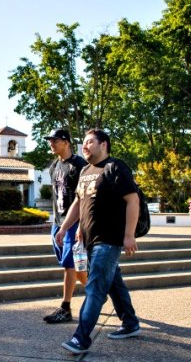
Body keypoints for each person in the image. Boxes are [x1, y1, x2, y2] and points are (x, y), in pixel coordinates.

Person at [56, 128, 141, 355]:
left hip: (109, 239)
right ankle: (130, 322)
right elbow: (78, 202)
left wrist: (129, 235)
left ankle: (80, 338)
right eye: (83, 142)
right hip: (89, 240)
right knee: (113, 282)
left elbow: (133, 200)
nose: (85, 146)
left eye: (90, 142)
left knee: (95, 288)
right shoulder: (85, 170)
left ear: (103, 144)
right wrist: (65, 228)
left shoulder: (115, 167)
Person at [42, 128, 88, 324]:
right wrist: (55, 224)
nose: (51, 143)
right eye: (50, 140)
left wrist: (82, 225)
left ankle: (65, 308)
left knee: (69, 266)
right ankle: (97, 291)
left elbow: (86, 198)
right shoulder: (54, 167)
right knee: (75, 268)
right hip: (58, 223)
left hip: (74, 223)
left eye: (55, 140)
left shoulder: (80, 165)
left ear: (67, 142)